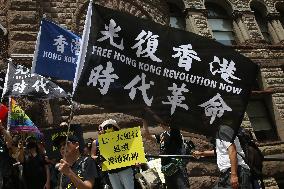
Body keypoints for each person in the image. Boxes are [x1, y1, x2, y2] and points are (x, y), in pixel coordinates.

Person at [193, 125, 252, 189]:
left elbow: (232, 151)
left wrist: (234, 175)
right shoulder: (219, 134)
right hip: (226, 174)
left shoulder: (223, 130)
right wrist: (202, 153)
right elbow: (220, 152)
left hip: (236, 171)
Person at [143, 119, 190, 189]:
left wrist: (164, 121)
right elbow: (147, 135)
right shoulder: (163, 134)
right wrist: (144, 121)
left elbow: (173, 128)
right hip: (166, 168)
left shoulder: (175, 133)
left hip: (176, 167)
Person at [92, 119, 135, 189]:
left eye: (109, 127)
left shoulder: (123, 138)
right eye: (104, 128)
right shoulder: (99, 142)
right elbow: (93, 155)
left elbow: (131, 151)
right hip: (111, 171)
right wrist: (98, 158)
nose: (106, 130)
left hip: (125, 169)